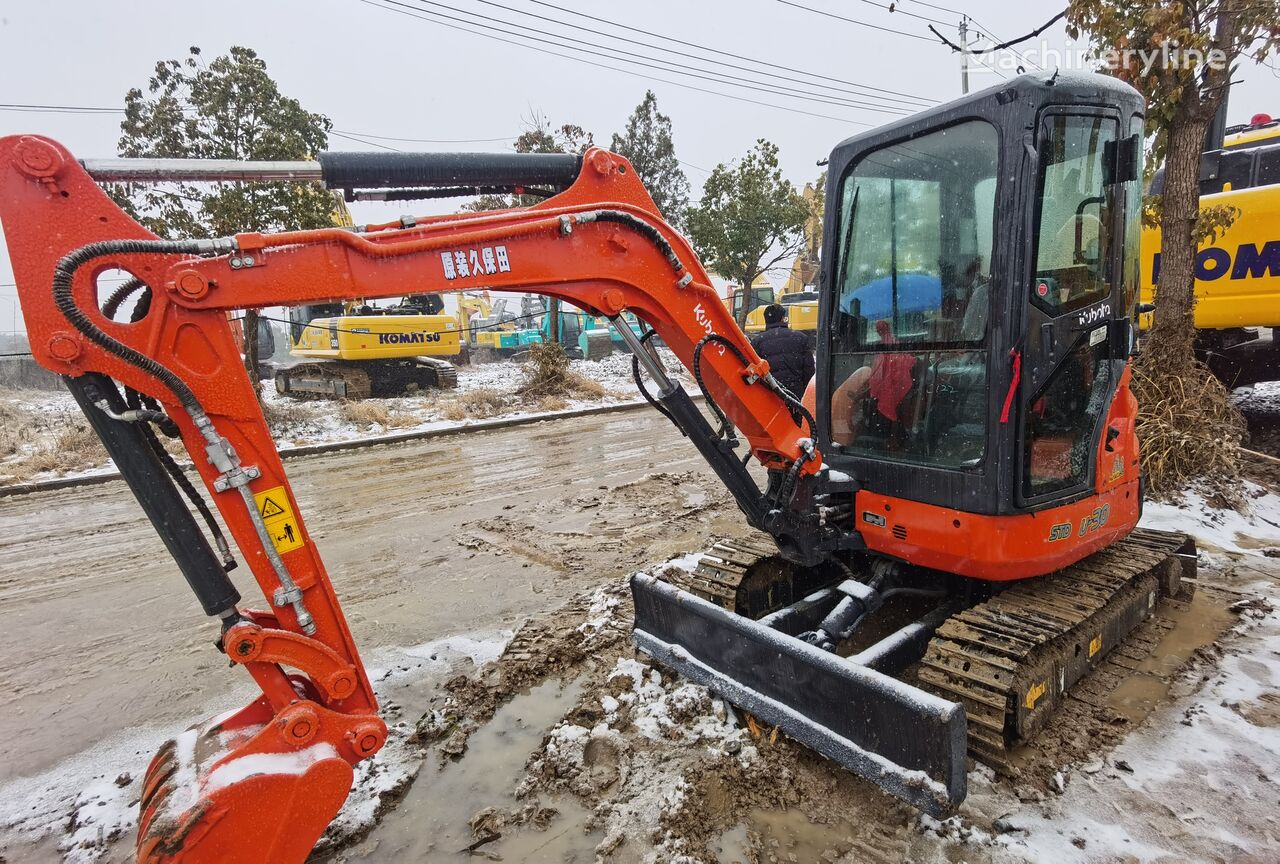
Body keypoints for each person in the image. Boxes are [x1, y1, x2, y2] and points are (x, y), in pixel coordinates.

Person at [750, 304, 814, 398]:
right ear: (783, 318)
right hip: (796, 394)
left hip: (771, 395)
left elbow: (754, 373)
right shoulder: (800, 338)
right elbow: (809, 369)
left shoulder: (757, 342)